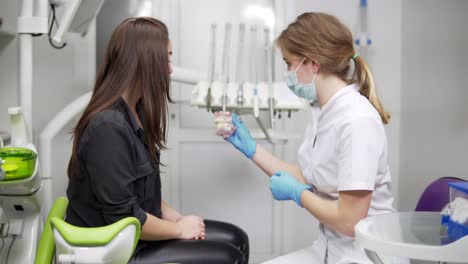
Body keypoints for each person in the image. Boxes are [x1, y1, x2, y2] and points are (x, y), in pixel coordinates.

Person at [221, 12, 400, 263]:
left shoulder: (356, 119)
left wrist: (299, 195)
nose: (287, 74)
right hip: (331, 248)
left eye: (288, 63)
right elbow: (312, 177)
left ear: (312, 63)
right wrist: (251, 149)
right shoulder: (323, 111)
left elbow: (351, 221)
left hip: (364, 255)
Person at [66, 17, 248, 264]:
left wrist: (175, 218)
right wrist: (179, 229)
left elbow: (142, 193)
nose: (171, 69)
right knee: (228, 257)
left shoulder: (136, 113)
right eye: (167, 59)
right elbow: (123, 218)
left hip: (136, 236)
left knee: (236, 238)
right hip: (115, 250)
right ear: (145, 61)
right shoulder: (108, 127)